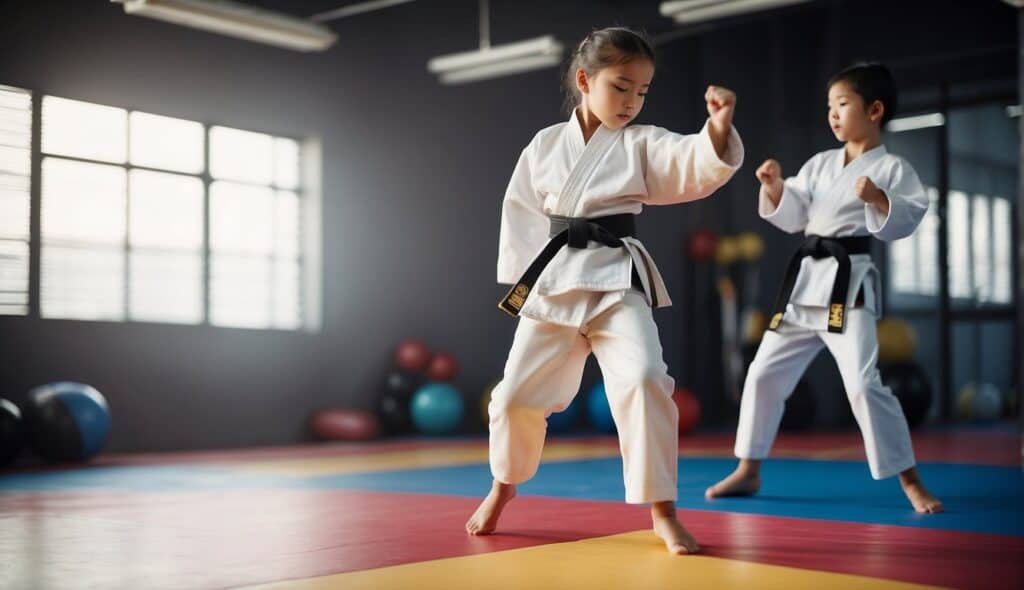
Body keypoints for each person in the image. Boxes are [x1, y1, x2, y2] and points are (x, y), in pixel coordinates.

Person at [464, 27, 745, 555]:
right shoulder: (545, 145)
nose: (631, 102)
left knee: (644, 379)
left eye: (642, 91)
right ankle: (502, 489)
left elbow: (687, 163)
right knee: (515, 397)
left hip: (617, 280)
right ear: (584, 79)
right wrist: (528, 280)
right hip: (555, 283)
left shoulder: (640, 143)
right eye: (621, 87)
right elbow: (521, 212)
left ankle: (663, 512)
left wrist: (717, 132)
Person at [705, 62, 943, 514]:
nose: (832, 115)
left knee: (863, 384)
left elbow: (907, 216)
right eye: (829, 107)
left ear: (874, 110)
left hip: (845, 288)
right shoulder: (819, 165)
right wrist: (775, 187)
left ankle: (910, 480)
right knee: (761, 373)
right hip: (804, 286)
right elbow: (794, 215)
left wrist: (878, 199)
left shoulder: (892, 168)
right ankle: (749, 467)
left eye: (842, 104)